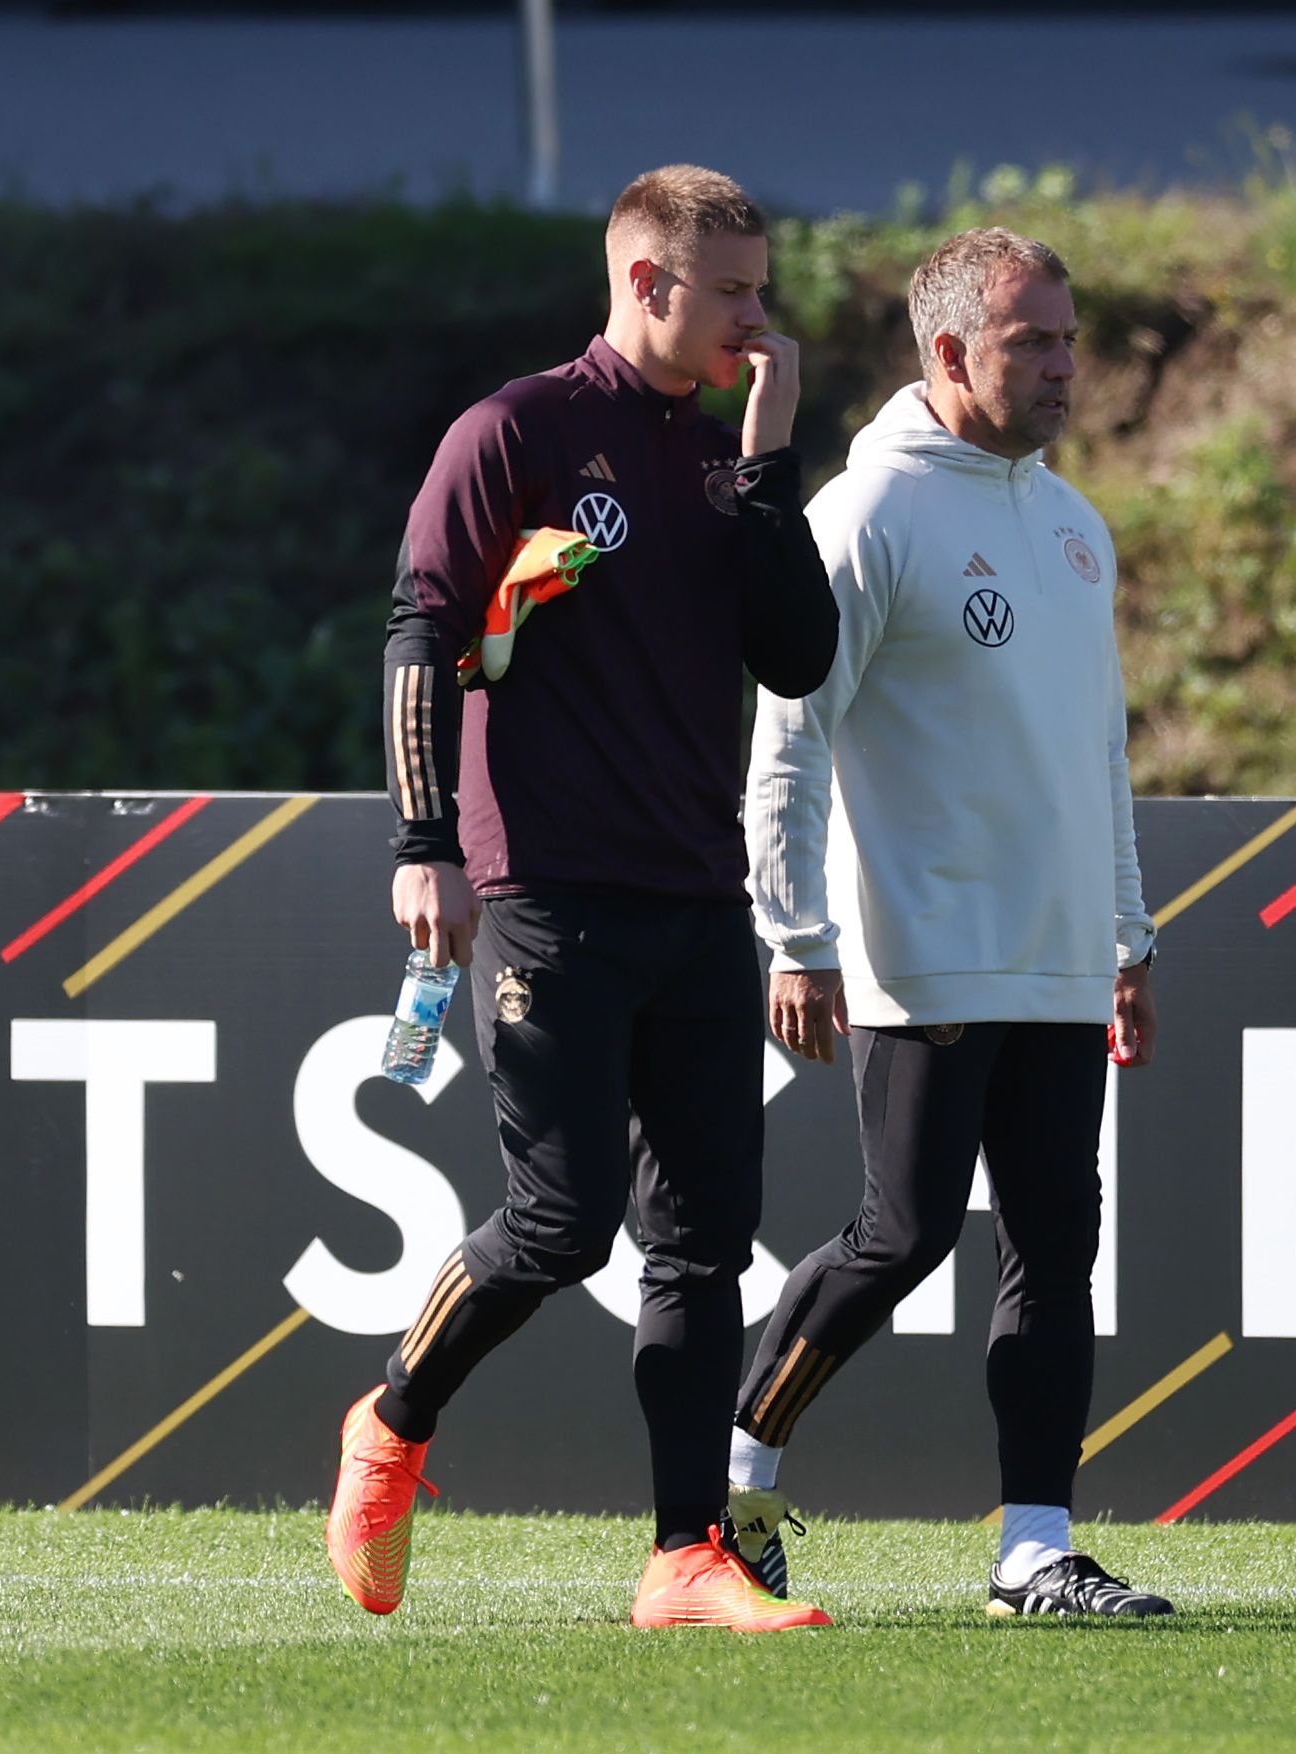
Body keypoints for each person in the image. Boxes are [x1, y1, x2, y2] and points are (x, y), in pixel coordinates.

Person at [329, 164, 839, 1631]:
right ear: (646, 283)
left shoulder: (720, 455)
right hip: (546, 884)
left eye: (762, 286)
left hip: (697, 893)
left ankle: (686, 1553)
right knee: (559, 1224)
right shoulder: (518, 431)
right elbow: (422, 628)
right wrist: (421, 842)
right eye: (735, 290)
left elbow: (797, 655)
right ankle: (391, 1421)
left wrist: (768, 470)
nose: (760, 317)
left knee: (699, 1241)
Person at [728, 226, 1174, 1619]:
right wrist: (793, 933)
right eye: (1031, 339)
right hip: (919, 947)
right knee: (903, 1233)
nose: (1061, 364)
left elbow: (1097, 754)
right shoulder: (867, 514)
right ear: (949, 352)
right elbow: (789, 740)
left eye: (1068, 336)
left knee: (1056, 1245)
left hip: (1056, 957)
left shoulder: (1072, 524)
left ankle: (1034, 1546)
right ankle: (732, 1471)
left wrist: (1129, 937)